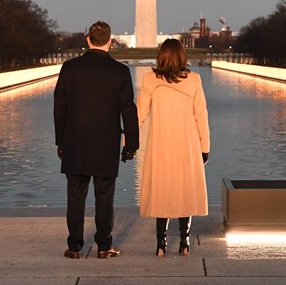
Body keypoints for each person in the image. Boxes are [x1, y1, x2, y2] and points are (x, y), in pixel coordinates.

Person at [54, 21, 139, 259]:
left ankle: (74, 246)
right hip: (106, 143)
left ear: (88, 40)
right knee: (104, 195)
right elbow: (128, 110)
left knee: (75, 195)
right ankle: (103, 245)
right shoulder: (120, 71)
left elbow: (59, 107)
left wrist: (60, 140)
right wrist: (131, 145)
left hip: (74, 141)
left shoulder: (69, 68)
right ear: (110, 42)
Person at [137, 38, 210, 257]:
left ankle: (161, 244)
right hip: (187, 145)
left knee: (162, 192)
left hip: (160, 144)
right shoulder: (194, 80)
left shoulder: (150, 79)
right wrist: (204, 147)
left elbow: (139, 114)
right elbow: (201, 117)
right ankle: (185, 242)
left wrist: (127, 142)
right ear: (182, 56)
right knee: (184, 191)